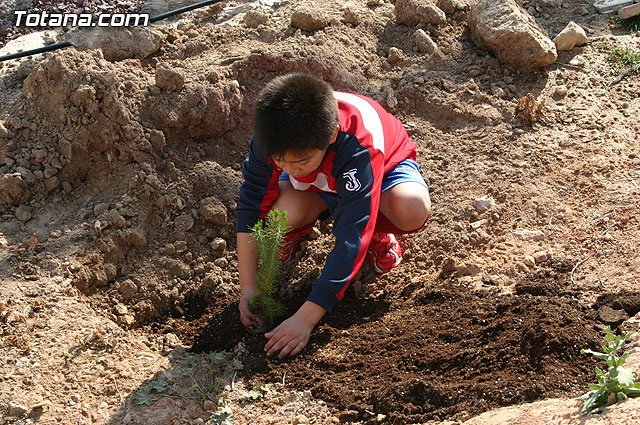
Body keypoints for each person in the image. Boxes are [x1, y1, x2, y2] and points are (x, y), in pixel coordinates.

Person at [236, 73, 431, 359]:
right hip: (321, 181)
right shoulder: (273, 135)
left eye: (300, 161)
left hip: (381, 172)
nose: (289, 169)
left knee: (410, 208)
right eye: (280, 161)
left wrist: (306, 318)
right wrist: (249, 287)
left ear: (331, 135)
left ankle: (379, 233)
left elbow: (352, 234)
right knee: (282, 215)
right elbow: (251, 205)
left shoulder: (360, 144)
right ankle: (301, 227)